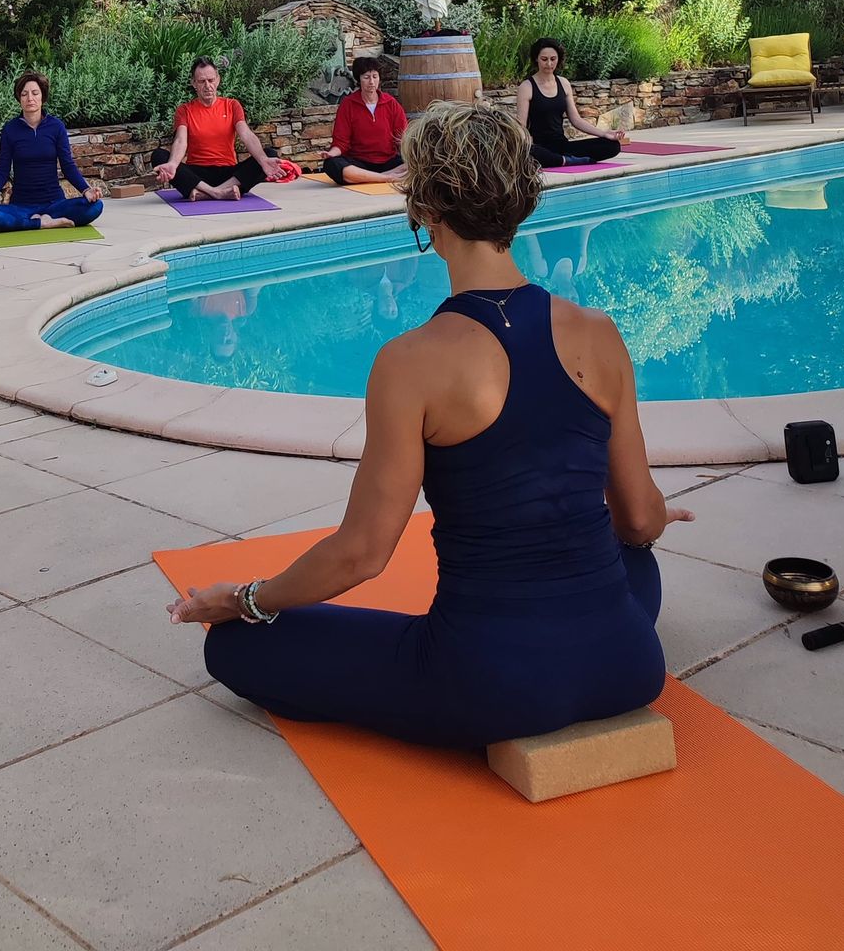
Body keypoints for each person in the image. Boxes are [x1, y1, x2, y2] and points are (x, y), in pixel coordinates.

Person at [170, 100, 692, 750]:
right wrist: (654, 517)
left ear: (424, 210)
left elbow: (362, 554)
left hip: (488, 683)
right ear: (520, 201)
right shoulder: (600, 334)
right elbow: (640, 522)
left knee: (236, 649)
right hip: (627, 667)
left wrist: (245, 599)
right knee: (632, 557)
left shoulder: (409, 363)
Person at [0, 73, 104, 232]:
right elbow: (2, 172)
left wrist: (86, 190)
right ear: (19, 99)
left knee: (96, 206)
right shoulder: (10, 129)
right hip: (22, 206)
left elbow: (68, 166)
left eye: (35, 93)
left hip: (55, 204)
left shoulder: (56, 126)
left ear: (42, 97)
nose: (30, 98)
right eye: (24, 94)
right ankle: (42, 223)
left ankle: (31, 223)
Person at [154, 58, 284, 201]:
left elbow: (246, 134)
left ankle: (208, 193)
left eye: (211, 80)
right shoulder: (184, 110)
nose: (207, 86)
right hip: (197, 175)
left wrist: (263, 160)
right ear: (193, 83)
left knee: (269, 154)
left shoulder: (232, 105)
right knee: (159, 156)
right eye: (202, 81)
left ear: (218, 80)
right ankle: (217, 193)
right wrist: (173, 163)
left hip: (229, 174)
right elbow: (180, 141)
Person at [514, 38, 629, 170]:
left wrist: (604, 133)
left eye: (553, 59)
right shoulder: (527, 87)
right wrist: (526, 143)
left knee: (612, 146)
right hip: (539, 147)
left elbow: (576, 119)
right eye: (544, 59)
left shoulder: (563, 83)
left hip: (562, 145)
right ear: (536, 59)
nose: (549, 64)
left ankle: (563, 159)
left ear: (559, 59)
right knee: (529, 153)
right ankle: (565, 160)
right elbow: (520, 125)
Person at [321, 55, 409, 186]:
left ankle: (374, 177)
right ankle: (386, 178)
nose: (371, 82)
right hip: (359, 163)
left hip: (389, 162)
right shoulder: (348, 104)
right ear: (359, 79)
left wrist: (411, 158)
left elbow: (402, 138)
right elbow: (341, 143)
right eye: (366, 77)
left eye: (375, 76)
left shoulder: (391, 103)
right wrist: (330, 154)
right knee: (331, 164)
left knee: (418, 163)